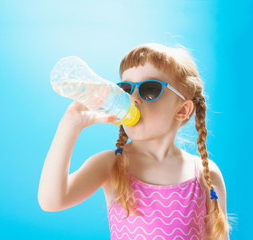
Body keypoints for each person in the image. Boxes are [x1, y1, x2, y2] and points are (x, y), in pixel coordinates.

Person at [38, 43, 231, 239]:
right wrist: (70, 125)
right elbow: (52, 201)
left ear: (182, 110)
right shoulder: (111, 165)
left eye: (150, 89)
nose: (133, 99)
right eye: (126, 88)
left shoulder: (204, 175)